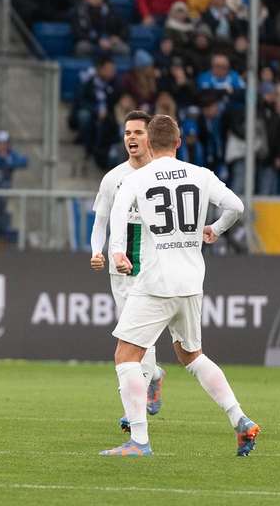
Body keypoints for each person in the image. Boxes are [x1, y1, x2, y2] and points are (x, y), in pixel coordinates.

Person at [101, 114, 259, 457]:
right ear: (178, 142)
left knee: (126, 356)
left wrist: (116, 252)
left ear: (148, 144)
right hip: (191, 281)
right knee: (191, 355)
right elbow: (236, 206)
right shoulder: (201, 175)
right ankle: (241, 419)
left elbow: (117, 215)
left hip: (156, 281)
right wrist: (215, 229)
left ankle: (139, 442)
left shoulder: (137, 179)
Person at [89, 111, 166, 431]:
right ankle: (154, 378)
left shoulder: (162, 176)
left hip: (154, 269)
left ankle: (134, 407)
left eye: (138, 132)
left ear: (151, 137)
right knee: (134, 337)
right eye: (127, 133)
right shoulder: (113, 178)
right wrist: (97, 250)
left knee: (138, 338)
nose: (132, 138)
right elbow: (100, 222)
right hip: (120, 272)